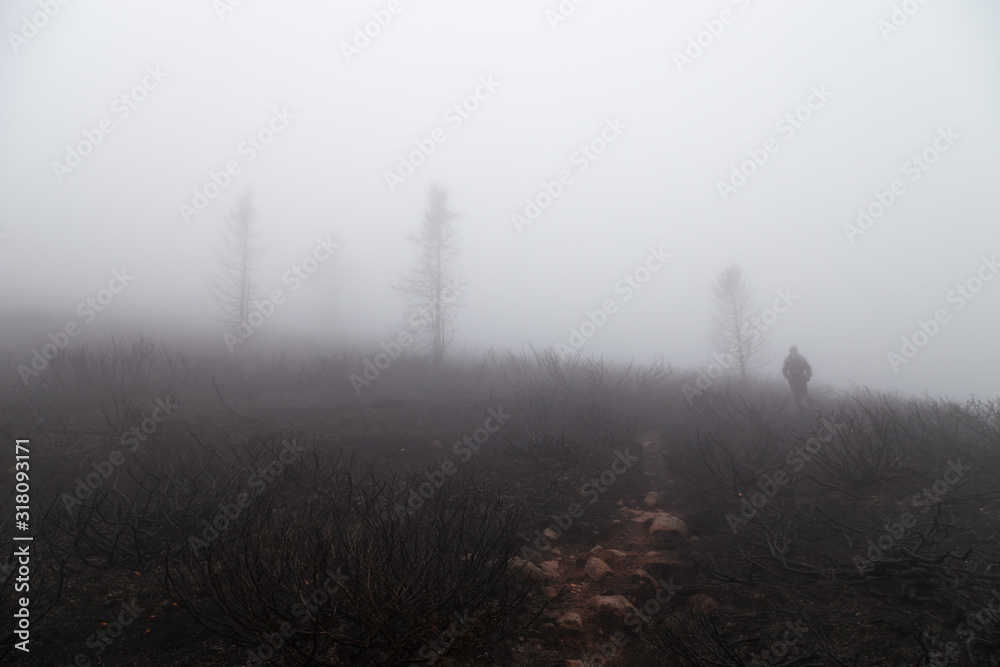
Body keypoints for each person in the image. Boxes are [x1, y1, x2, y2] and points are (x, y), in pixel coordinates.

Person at [782, 345, 812, 413]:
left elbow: (784, 369)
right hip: (802, 378)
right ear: (796, 350)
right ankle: (808, 409)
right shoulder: (801, 357)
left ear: (790, 350)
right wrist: (808, 376)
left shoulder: (787, 358)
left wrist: (787, 376)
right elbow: (808, 368)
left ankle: (801, 410)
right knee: (804, 393)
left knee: (796, 394)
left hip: (792, 379)